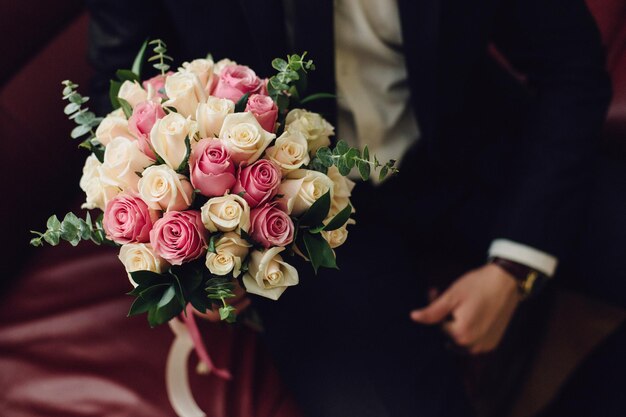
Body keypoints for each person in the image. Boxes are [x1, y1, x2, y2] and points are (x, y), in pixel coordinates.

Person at [86, 0, 611, 416]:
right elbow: (126, 97)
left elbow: (572, 68)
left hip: (470, 148)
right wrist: (184, 254)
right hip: (286, 220)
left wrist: (516, 263)